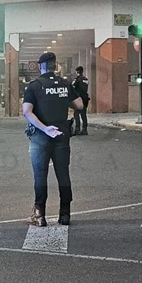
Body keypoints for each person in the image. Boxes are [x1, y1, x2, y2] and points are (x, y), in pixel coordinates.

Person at [22, 52, 84, 227]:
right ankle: (65, 215)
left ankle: (39, 215)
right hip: (62, 135)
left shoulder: (34, 86)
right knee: (63, 174)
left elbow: (27, 111)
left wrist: (45, 128)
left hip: (41, 136)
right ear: (55, 65)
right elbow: (79, 104)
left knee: (40, 176)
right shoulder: (65, 84)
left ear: (41, 66)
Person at [72, 66, 90, 136]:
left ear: (77, 72)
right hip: (85, 99)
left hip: (79, 99)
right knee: (83, 115)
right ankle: (85, 130)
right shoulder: (86, 79)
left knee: (76, 114)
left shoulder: (77, 79)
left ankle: (77, 129)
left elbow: (72, 87)